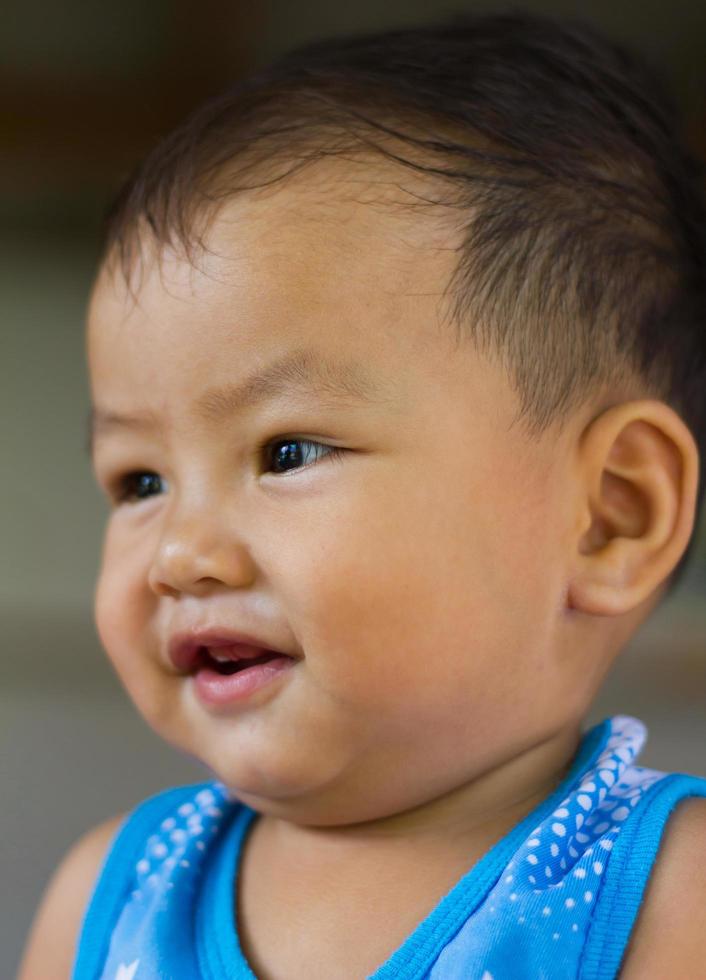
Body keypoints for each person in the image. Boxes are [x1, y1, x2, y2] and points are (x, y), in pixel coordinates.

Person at [17, 9, 706, 979]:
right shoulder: (110, 896)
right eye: (140, 479)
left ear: (607, 515)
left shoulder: (674, 899)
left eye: (286, 450)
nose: (179, 552)